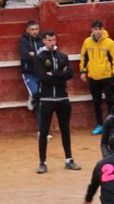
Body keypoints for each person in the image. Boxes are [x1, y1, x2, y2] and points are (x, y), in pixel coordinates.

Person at [32, 29, 81, 174]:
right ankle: (43, 162)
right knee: (44, 131)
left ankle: (69, 160)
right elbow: (42, 77)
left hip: (63, 98)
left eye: (54, 40)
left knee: (65, 130)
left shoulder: (63, 56)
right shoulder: (39, 58)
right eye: (49, 40)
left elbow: (70, 74)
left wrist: (53, 73)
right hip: (47, 99)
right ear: (44, 41)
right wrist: (61, 75)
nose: (52, 43)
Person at [77, 19, 114, 134]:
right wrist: (82, 71)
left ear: (103, 29)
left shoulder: (110, 42)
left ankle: (112, 126)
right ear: (92, 30)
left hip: (107, 77)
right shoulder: (87, 42)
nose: (98, 31)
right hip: (93, 77)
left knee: (110, 101)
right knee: (96, 102)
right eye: (96, 29)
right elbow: (84, 57)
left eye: (100, 29)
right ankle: (100, 125)